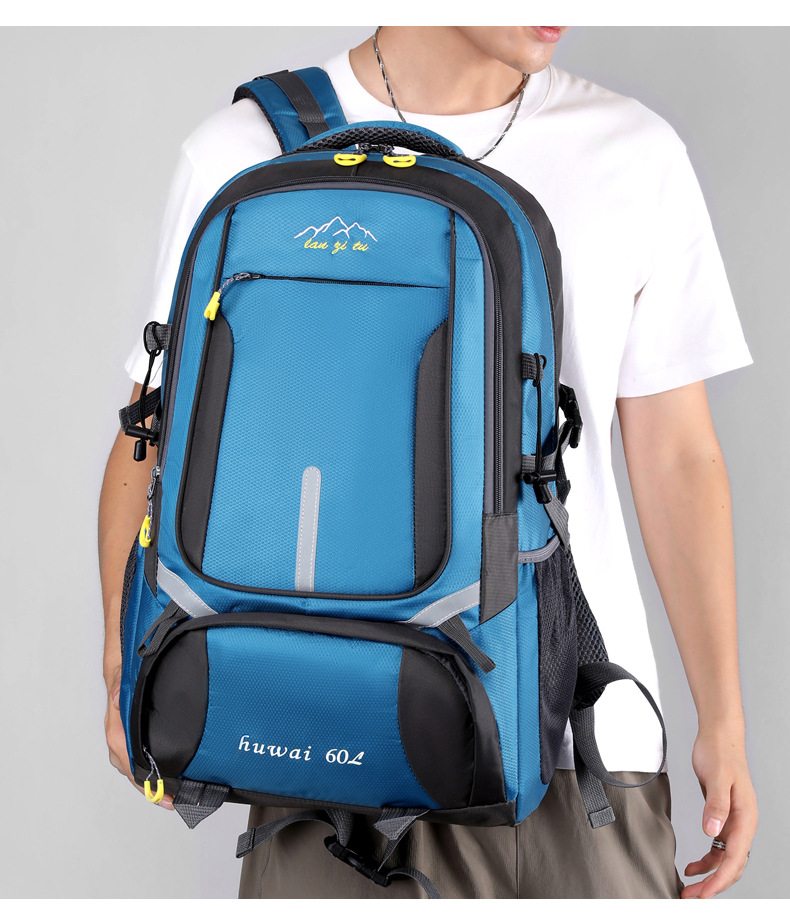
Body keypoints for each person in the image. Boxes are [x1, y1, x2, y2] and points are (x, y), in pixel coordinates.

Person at [100, 26, 758, 899]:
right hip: (317, 741)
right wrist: (126, 664)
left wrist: (723, 717)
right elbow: (152, 434)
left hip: (575, 741)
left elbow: (677, 454)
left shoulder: (635, 153)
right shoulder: (243, 149)